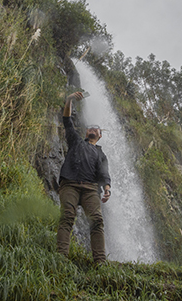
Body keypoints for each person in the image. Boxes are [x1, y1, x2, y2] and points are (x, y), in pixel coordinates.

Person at [57, 91, 112, 263]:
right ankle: (60, 258)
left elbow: (104, 174)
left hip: (90, 190)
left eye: (97, 128)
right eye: (91, 127)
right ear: (86, 132)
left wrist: (107, 189)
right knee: (67, 216)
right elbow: (67, 121)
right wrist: (69, 100)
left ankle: (100, 262)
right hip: (70, 185)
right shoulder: (76, 141)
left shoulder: (101, 153)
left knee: (97, 221)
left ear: (100, 135)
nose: (94, 129)